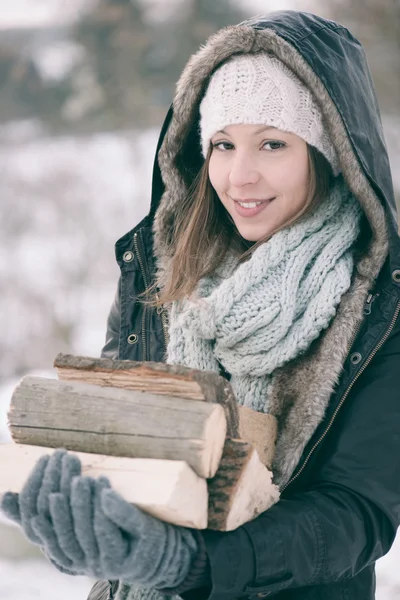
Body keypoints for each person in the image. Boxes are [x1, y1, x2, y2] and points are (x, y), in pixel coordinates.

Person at [1, 9, 400, 600]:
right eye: (222, 144)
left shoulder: (380, 305)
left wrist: (189, 564)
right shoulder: (161, 267)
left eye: (271, 144)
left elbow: (357, 514)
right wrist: (86, 523)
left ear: (327, 152)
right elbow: (124, 441)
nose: (239, 177)